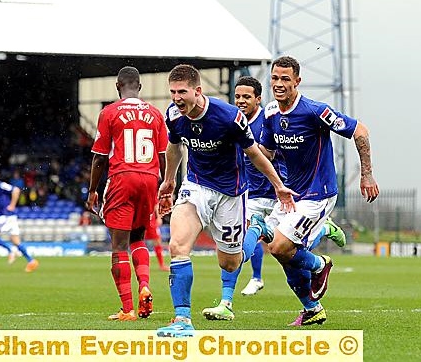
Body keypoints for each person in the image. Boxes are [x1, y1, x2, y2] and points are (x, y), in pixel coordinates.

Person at [155, 64, 297, 338]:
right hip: (195, 186)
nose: (176, 98)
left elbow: (255, 154)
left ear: (197, 91)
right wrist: (169, 179)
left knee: (230, 264)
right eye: (172, 92)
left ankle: (255, 229)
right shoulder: (173, 115)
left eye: (182, 92)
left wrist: (278, 186)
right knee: (178, 245)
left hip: (230, 194)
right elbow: (174, 145)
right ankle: (182, 319)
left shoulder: (229, 117)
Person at [201, 76, 347, 321]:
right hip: (253, 198)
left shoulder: (268, 121)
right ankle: (226, 302)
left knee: (286, 256)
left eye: (246, 97)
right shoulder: (232, 124)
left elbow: (284, 155)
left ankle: (320, 242)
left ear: (258, 99)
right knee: (241, 242)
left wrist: (283, 184)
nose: (241, 101)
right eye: (237, 97)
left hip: (282, 197)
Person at [254, 55, 379, 326]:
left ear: (297, 81)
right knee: (281, 253)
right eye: (275, 78)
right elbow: (267, 152)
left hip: (318, 193)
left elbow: (360, 130)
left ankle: (321, 264)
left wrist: (366, 174)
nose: (278, 83)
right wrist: (242, 150)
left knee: (280, 247)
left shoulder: (315, 111)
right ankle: (312, 308)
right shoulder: (271, 113)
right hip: (292, 194)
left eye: (285, 79)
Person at [85, 66, 168, 321]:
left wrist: (92, 191)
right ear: (140, 87)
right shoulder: (155, 114)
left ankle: (128, 309)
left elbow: (100, 158)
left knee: (119, 245)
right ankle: (144, 284)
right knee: (138, 238)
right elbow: (163, 156)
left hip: (122, 177)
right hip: (150, 179)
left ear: (118, 86)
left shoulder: (109, 112)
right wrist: (164, 188)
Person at [0, 168, 39, 272]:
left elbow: (16, 190)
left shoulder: (1, 185)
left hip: (7, 216)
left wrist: (12, 205)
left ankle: (11, 251)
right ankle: (31, 261)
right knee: (15, 240)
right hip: (4, 216)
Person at [144, 200, 170, 271]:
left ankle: (161, 265)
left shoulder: (151, 190)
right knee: (137, 241)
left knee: (157, 241)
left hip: (150, 221)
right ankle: (138, 265)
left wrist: (158, 217)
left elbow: (156, 204)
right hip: (141, 219)